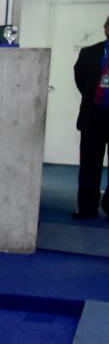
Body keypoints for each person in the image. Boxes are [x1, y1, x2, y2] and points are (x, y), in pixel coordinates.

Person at [71, 15, 109, 220]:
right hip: (93, 116)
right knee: (89, 166)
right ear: (105, 28)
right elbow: (80, 79)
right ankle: (87, 208)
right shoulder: (90, 53)